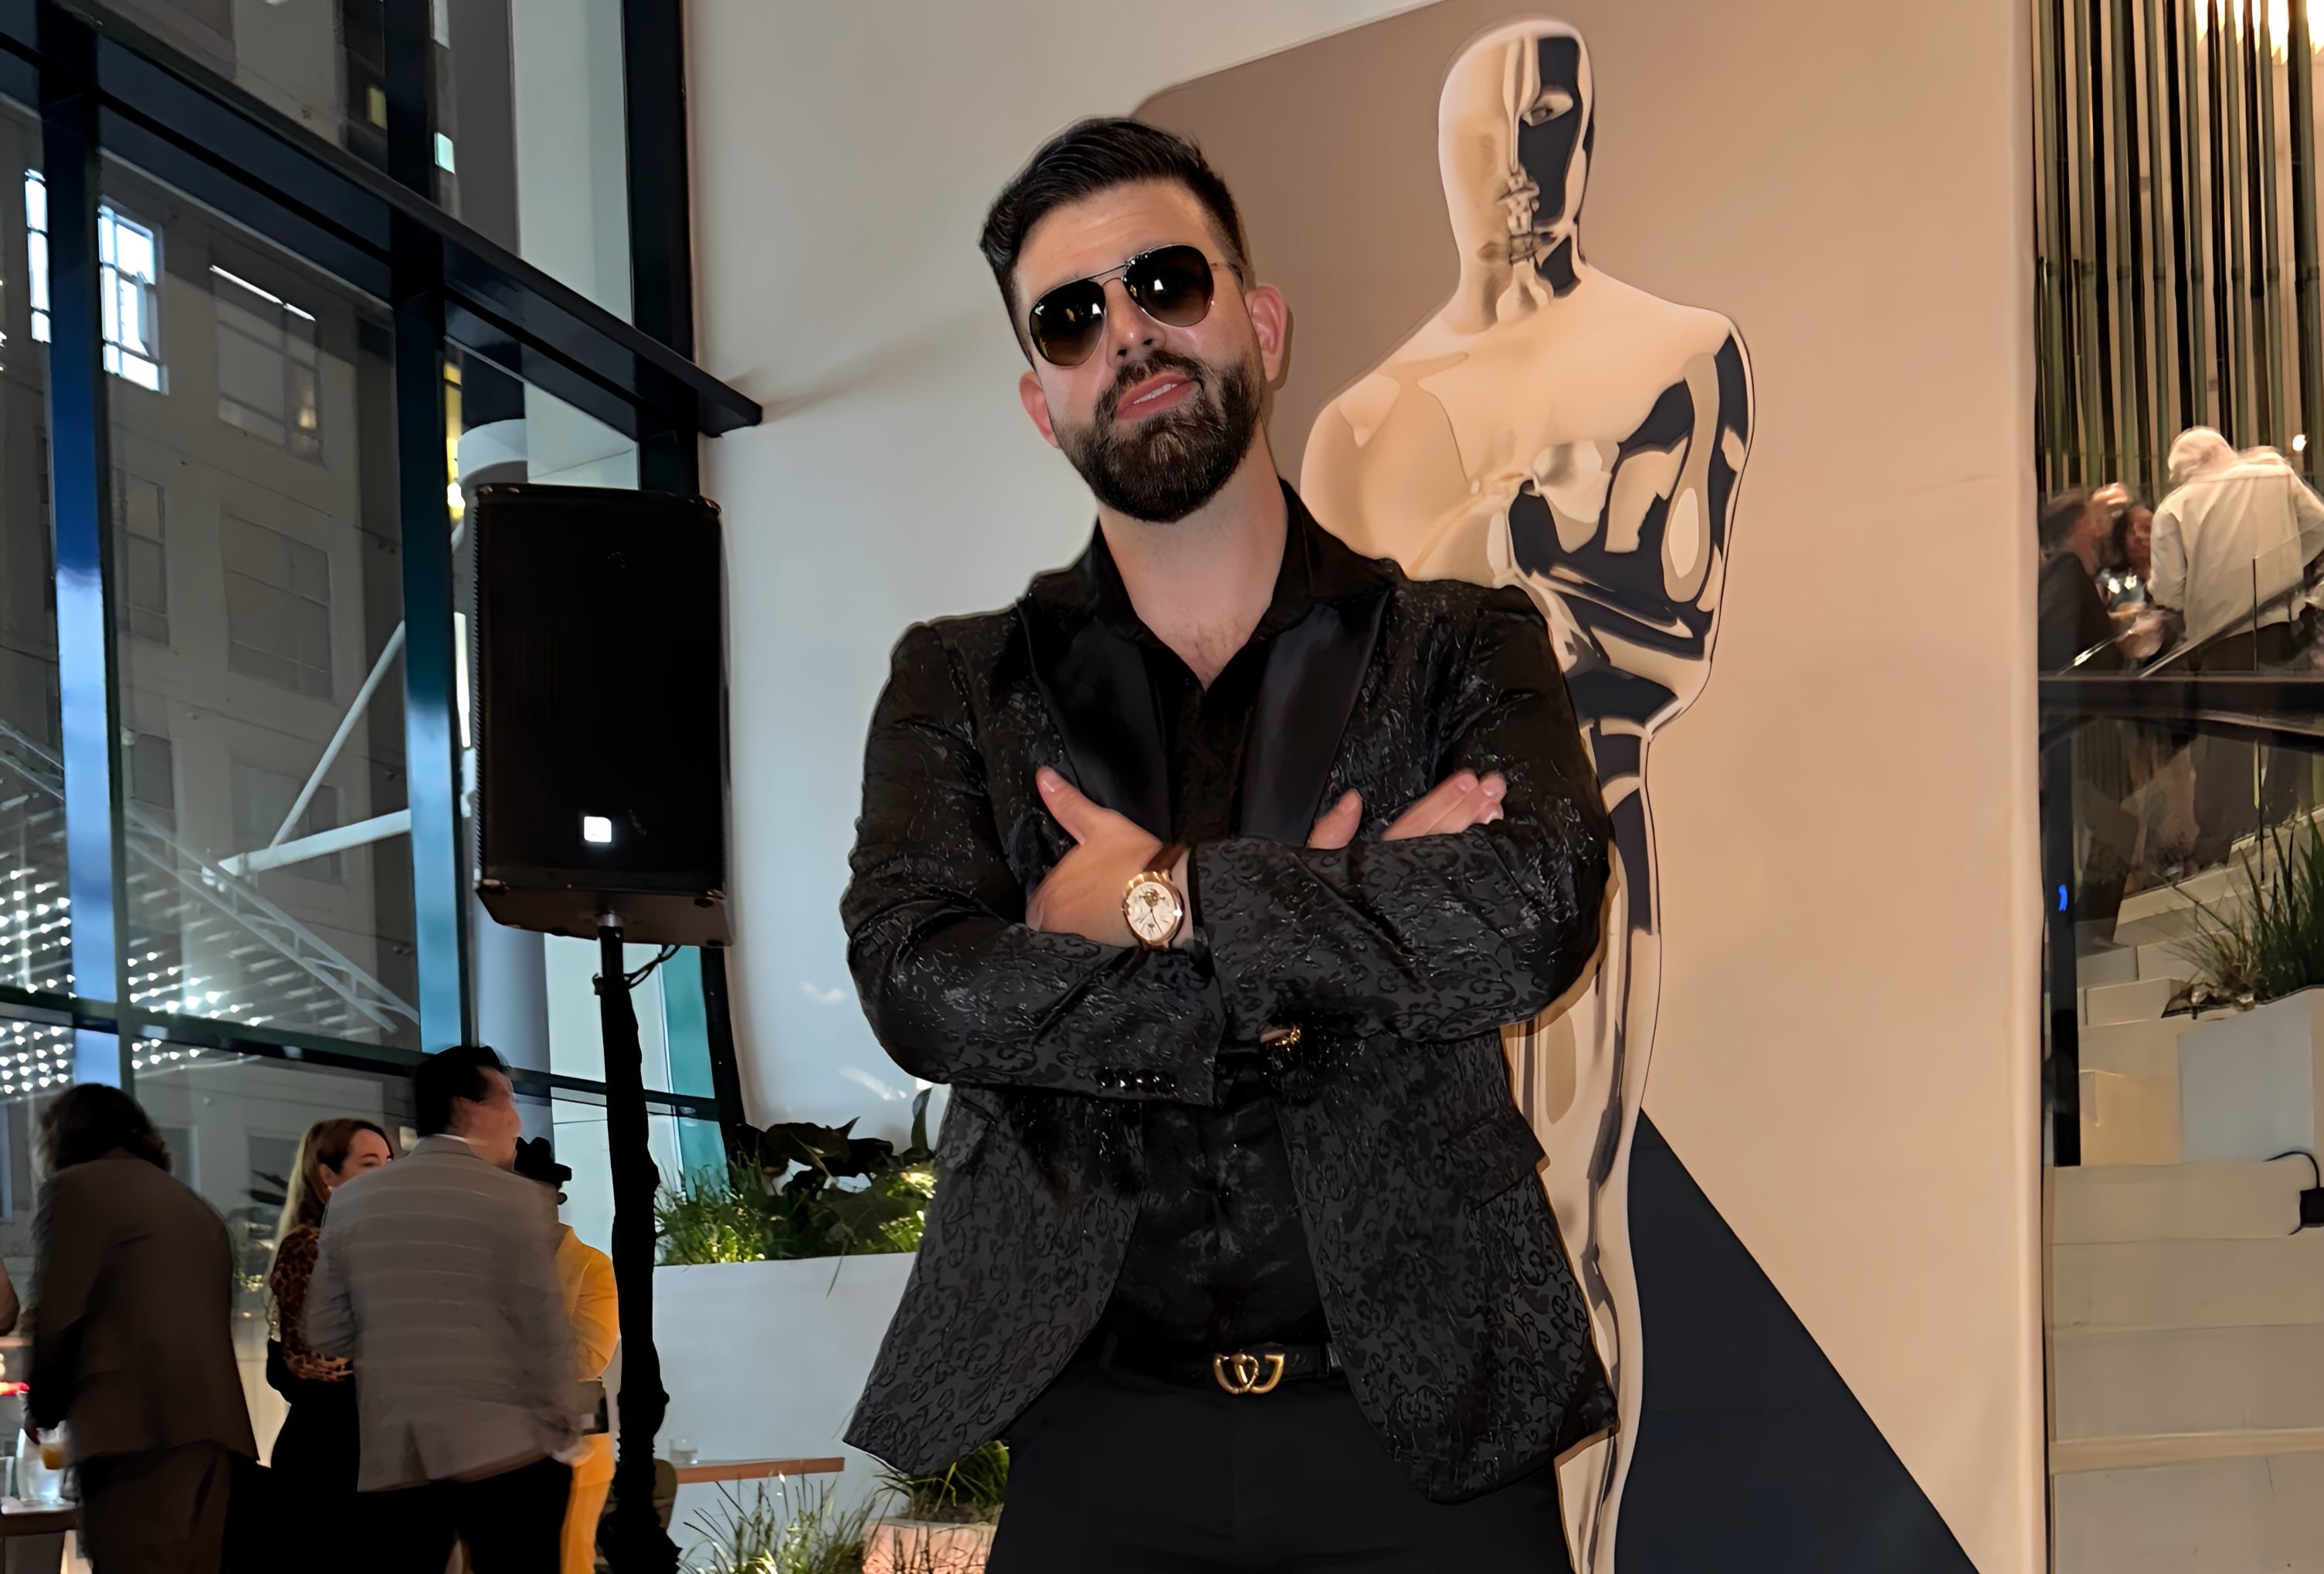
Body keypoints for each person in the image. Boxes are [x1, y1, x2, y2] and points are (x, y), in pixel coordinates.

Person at [841, 118, 1612, 1572]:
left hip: (1425, 1437)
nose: (1125, 334)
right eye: (1070, 319)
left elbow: (1531, 908)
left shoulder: (1456, 644)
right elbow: (923, 985)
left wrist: (1164, 895)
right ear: (1040, 402)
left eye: (1163, 283)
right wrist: (1347, 914)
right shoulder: (961, 682)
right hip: (1099, 1438)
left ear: (1257, 321)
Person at [1297, 25, 1749, 1562]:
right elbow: (1323, 714)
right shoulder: (1359, 421)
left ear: (1586, 137)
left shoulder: (1672, 353)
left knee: (1563, 1220)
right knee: (1383, 1253)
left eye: (1548, 123)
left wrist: (1495, 575)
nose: (1519, 164)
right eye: (1490, 131)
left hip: (1570, 849)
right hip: (1389, 894)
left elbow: (1672, 644)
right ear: (1445, 151)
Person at [304, 1047, 577, 1574]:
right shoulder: (515, 1199)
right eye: (506, 1101)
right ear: (467, 1107)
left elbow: (326, 1332)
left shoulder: (351, 1202)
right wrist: (563, 1431)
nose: (516, 1121)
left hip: (395, 1454)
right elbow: (542, 1333)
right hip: (505, 1447)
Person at [26, 1084, 256, 1574]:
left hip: (131, 1432)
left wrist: (42, 1408)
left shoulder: (75, 1189)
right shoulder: (196, 1207)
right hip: (213, 1434)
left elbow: (58, 1315)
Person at [266, 1118, 394, 1543]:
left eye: (389, 1162)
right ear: (327, 1176)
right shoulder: (310, 1247)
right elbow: (318, 1361)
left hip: (374, 1451)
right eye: (370, 1163)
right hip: (331, 1455)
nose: (386, 1174)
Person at [511, 1138, 617, 1574]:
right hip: (499, 1448)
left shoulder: (591, 1265)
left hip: (572, 1446)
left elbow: (589, 1357)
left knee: (567, 1560)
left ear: (553, 1197)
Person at [2039, 489, 2125, 672]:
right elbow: (2056, 639)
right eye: (2093, 521)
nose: (2098, 532)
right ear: (2080, 524)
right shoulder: (2066, 567)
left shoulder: (2068, 568)